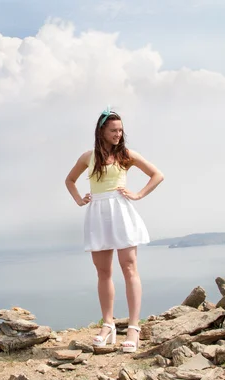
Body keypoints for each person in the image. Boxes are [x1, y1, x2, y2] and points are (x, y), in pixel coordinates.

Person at [64, 107, 164, 353]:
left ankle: (133, 328)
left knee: (129, 267)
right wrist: (78, 199)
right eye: (113, 130)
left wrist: (138, 194)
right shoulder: (88, 157)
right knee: (103, 271)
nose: (118, 134)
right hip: (97, 212)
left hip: (121, 211)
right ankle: (107, 325)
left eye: (120, 130)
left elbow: (157, 174)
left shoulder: (126, 155)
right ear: (102, 131)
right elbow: (69, 180)